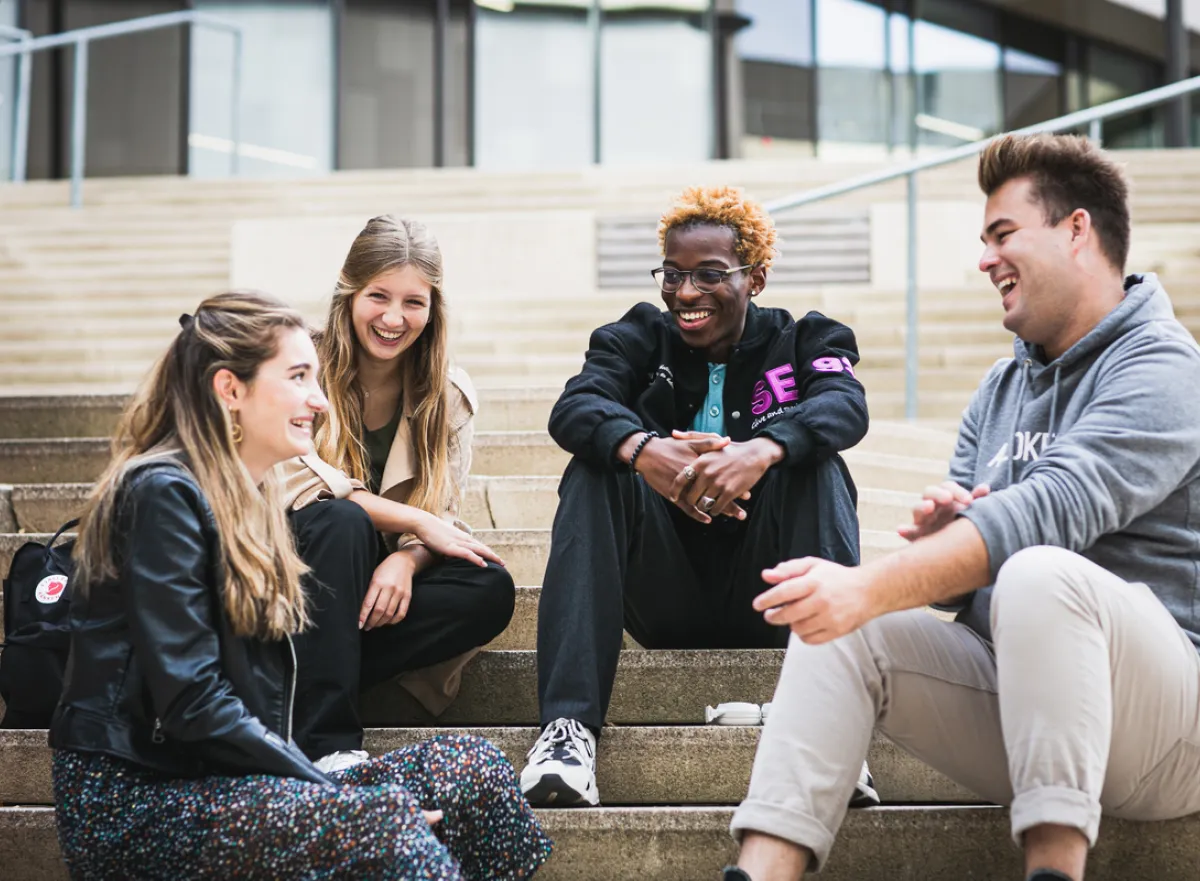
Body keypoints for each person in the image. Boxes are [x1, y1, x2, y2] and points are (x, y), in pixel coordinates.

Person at [724, 133, 1200, 881]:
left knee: (1039, 571)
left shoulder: (1163, 365)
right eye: (984, 240)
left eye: (1003, 234)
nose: (985, 260)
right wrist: (946, 563)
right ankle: (760, 873)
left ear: (1078, 230)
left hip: (1167, 731)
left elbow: (1056, 508)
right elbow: (976, 582)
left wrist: (878, 579)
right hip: (1028, 712)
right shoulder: (998, 389)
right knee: (841, 626)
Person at [49, 292, 552, 880]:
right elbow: (192, 703)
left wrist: (329, 792)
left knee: (472, 768)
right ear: (229, 390)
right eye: (297, 378)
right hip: (138, 797)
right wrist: (333, 795)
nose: (318, 400)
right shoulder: (161, 493)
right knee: (382, 822)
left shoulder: (253, 501)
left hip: (231, 781)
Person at [519, 185, 871, 808]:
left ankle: (835, 731)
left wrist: (761, 450)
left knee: (817, 465)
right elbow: (575, 405)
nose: (685, 293)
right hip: (666, 592)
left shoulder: (809, 338)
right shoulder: (634, 337)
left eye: (710, 275)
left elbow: (845, 407)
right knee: (595, 467)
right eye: (674, 274)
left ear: (755, 278)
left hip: (770, 592)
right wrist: (643, 449)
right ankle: (567, 731)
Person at [280, 216, 516, 772]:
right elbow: (292, 483)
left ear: (434, 307)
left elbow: (442, 514)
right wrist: (417, 522)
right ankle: (329, 744)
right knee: (343, 522)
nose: (393, 318)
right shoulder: (297, 364)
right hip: (286, 571)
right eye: (378, 296)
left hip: (363, 593)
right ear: (349, 293)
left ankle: (285, 675)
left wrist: (410, 559)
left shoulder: (447, 394)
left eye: (414, 302)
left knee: (489, 586)